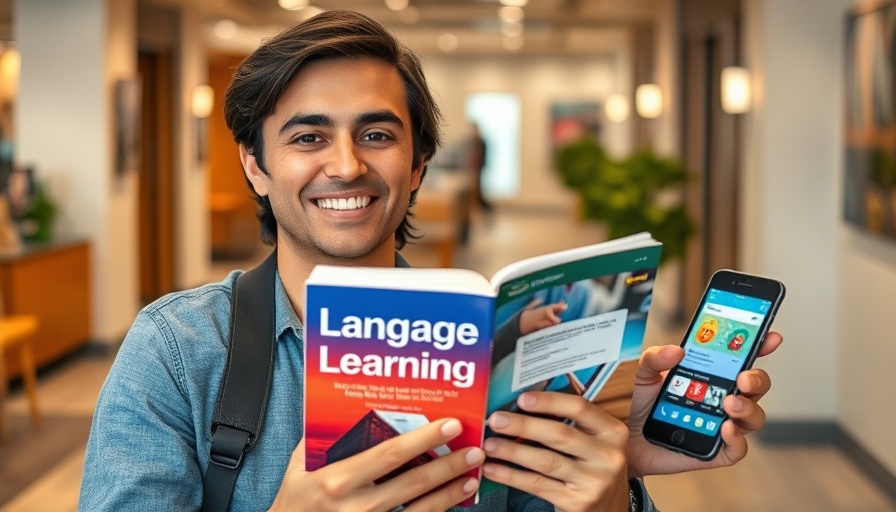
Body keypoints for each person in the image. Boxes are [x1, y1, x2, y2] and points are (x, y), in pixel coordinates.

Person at [79, 10, 783, 512]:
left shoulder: (517, 351)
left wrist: (609, 492)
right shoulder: (177, 353)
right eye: (308, 136)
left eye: (377, 133)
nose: (347, 165)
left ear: (417, 165)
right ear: (255, 166)